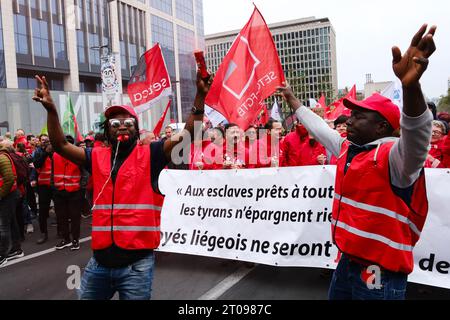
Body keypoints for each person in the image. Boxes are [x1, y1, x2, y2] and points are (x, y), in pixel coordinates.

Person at [277, 24, 436, 300]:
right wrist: (293, 101)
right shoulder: (350, 149)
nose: (348, 119)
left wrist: (411, 87)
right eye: (351, 114)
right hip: (347, 263)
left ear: (381, 128)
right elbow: (320, 128)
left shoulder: (396, 159)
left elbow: (417, 134)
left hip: (379, 274)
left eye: (359, 116)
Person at [32, 71, 211, 300]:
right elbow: (59, 145)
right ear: (107, 130)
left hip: (136, 267)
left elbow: (188, 134)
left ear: (136, 129)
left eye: (128, 123)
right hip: (99, 263)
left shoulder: (152, 154)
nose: (122, 126)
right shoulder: (94, 156)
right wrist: (51, 110)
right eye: (115, 123)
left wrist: (199, 97)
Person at [0, 140, 24, 266]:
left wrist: (1, 194)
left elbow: (9, 179)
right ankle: (17, 249)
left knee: (3, 225)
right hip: (10, 194)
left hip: (8, 195)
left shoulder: (2, 157)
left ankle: (2, 256)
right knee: (11, 222)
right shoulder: (3, 156)